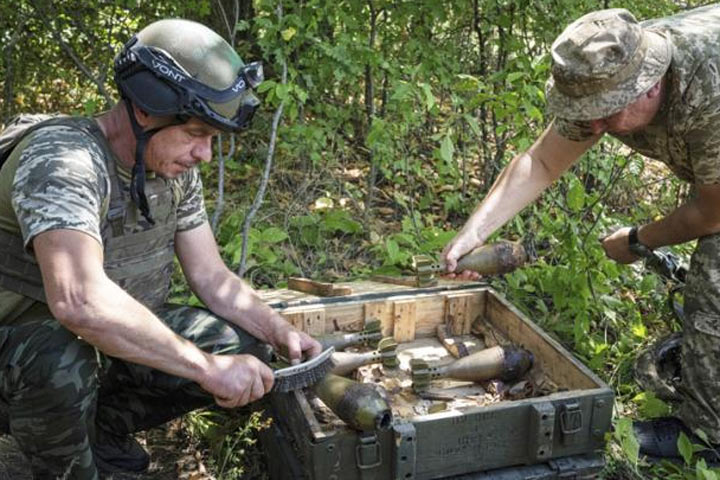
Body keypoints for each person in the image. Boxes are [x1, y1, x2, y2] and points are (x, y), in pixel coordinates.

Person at [0, 19, 321, 479]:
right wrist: (207, 369)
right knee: (59, 358)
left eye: (212, 139)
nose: (205, 155)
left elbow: (211, 277)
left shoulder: (170, 171)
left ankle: (99, 434)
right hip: (21, 353)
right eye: (196, 134)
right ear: (146, 112)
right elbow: (78, 302)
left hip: (90, 350)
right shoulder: (62, 161)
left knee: (237, 342)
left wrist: (278, 331)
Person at [443, 5, 720, 461]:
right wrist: (474, 232)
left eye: (605, 116)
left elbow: (711, 213)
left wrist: (638, 239)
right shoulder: (604, 72)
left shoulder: (708, 91)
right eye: (585, 113)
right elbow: (542, 162)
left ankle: (708, 439)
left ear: (649, 87)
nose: (593, 127)